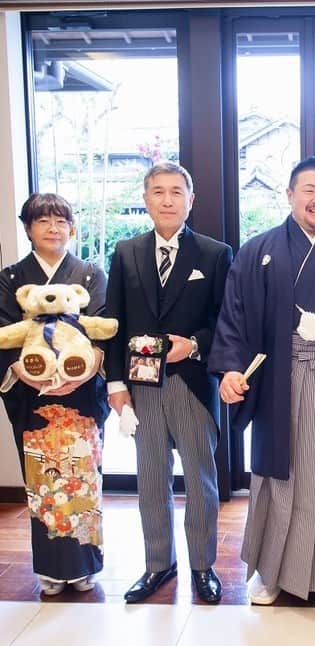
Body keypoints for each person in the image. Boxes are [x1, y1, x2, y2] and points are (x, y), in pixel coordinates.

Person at [208, 156, 315, 608]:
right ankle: (269, 573)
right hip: (279, 379)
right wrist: (230, 368)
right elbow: (235, 315)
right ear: (289, 196)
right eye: (309, 189)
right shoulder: (259, 250)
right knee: (277, 473)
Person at [104, 161, 232, 604]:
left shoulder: (216, 254)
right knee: (151, 477)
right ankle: (159, 564)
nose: (167, 200)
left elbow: (225, 322)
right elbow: (113, 321)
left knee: (201, 478)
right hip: (141, 386)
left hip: (191, 382)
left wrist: (193, 346)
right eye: (158, 192)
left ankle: (203, 565)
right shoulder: (125, 251)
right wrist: (115, 384)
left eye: (176, 192)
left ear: (190, 201)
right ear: (146, 199)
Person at [0, 193, 108, 596]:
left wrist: (80, 376)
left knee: (82, 477)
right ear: (28, 228)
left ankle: (84, 565)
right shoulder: (10, 279)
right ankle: (48, 568)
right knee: (41, 479)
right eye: (43, 221)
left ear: (71, 227)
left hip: (80, 394)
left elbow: (100, 331)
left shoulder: (90, 274)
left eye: (60, 221)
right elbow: (5, 338)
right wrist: (28, 375)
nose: (52, 228)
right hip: (32, 397)